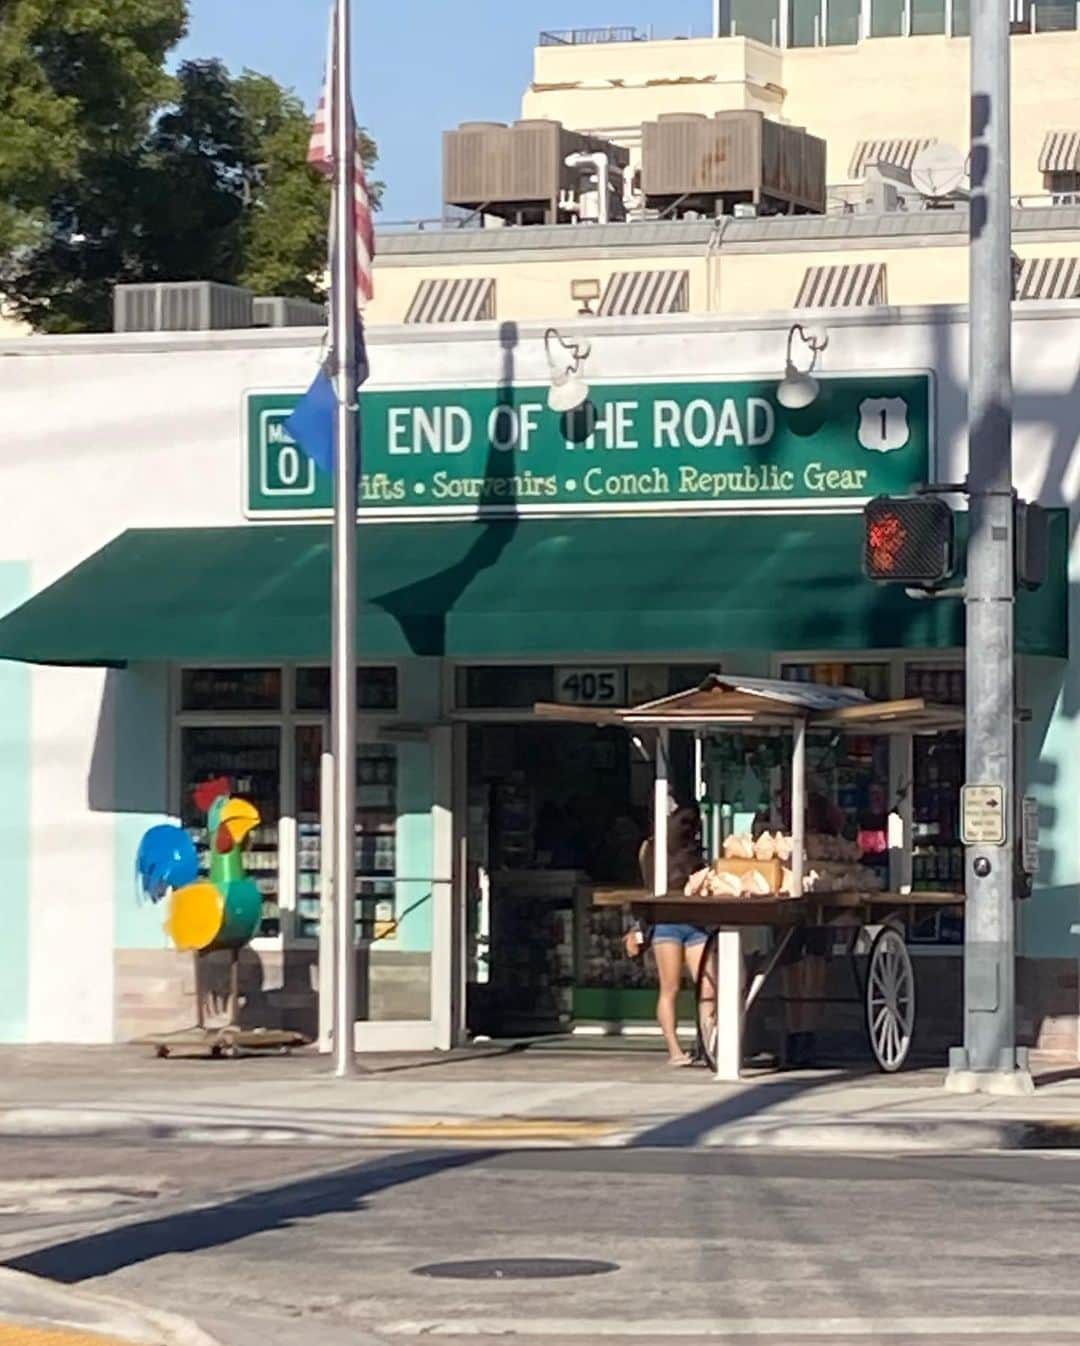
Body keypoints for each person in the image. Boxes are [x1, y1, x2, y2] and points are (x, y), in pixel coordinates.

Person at [636, 806, 709, 1067]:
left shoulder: (694, 850)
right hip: (667, 921)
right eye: (684, 821)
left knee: (707, 986)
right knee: (670, 987)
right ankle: (674, 1048)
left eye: (694, 823)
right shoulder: (653, 849)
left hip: (693, 921)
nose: (689, 827)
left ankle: (708, 1041)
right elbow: (654, 883)